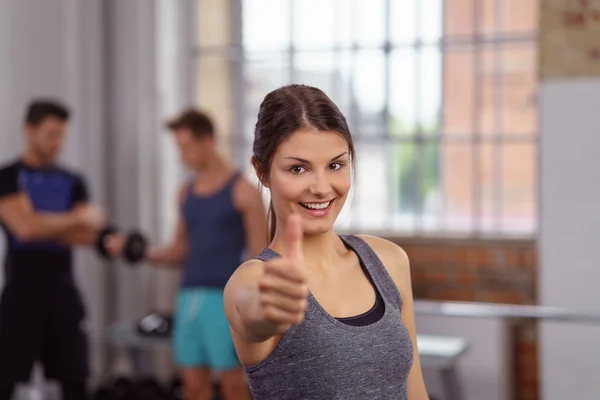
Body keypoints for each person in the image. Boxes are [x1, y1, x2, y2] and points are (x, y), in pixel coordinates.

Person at [223, 84, 430, 400]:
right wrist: (265, 311)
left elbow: (415, 392)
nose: (321, 188)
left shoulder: (388, 260)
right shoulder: (256, 280)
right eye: (298, 168)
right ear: (262, 171)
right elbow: (250, 313)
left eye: (335, 165)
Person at [0, 99, 122, 400]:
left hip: (63, 295)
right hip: (20, 296)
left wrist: (51, 223)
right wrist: (76, 218)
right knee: (5, 383)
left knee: (77, 383)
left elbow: (85, 236)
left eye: (62, 135)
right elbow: (24, 229)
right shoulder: (7, 177)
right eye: (51, 134)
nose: (58, 142)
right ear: (30, 130)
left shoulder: (73, 181)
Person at [144, 108, 267, 400]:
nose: (181, 156)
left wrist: (256, 310)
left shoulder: (243, 191)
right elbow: (179, 251)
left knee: (232, 385)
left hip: (223, 300)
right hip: (188, 297)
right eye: (179, 148)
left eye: (186, 147)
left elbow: (261, 256)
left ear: (208, 141)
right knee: (192, 385)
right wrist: (137, 252)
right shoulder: (185, 192)